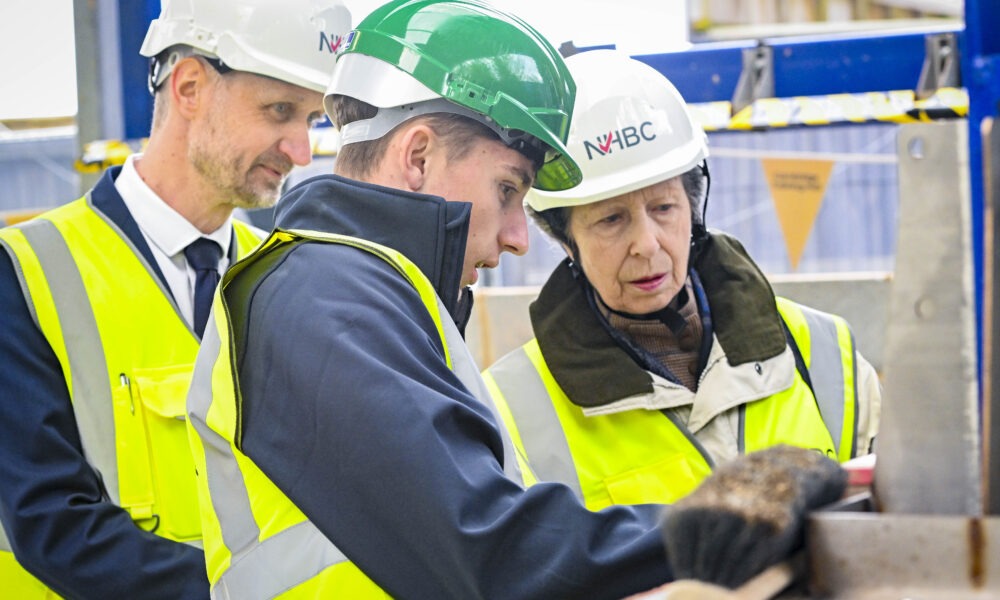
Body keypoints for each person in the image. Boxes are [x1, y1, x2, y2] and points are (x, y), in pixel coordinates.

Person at [186, 1, 851, 597]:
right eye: (509, 190)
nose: (516, 237)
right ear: (418, 156)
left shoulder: (364, 292)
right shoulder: (320, 298)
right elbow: (490, 550)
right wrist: (710, 526)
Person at [0, 0, 351, 597]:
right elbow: (50, 522)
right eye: (280, 111)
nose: (299, 150)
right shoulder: (26, 272)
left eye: (313, 121)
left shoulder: (287, 272)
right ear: (190, 86)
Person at [482, 49, 881, 511]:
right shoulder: (513, 407)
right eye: (612, 219)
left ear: (693, 209)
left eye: (664, 208)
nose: (647, 244)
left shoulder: (826, 354)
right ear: (566, 240)